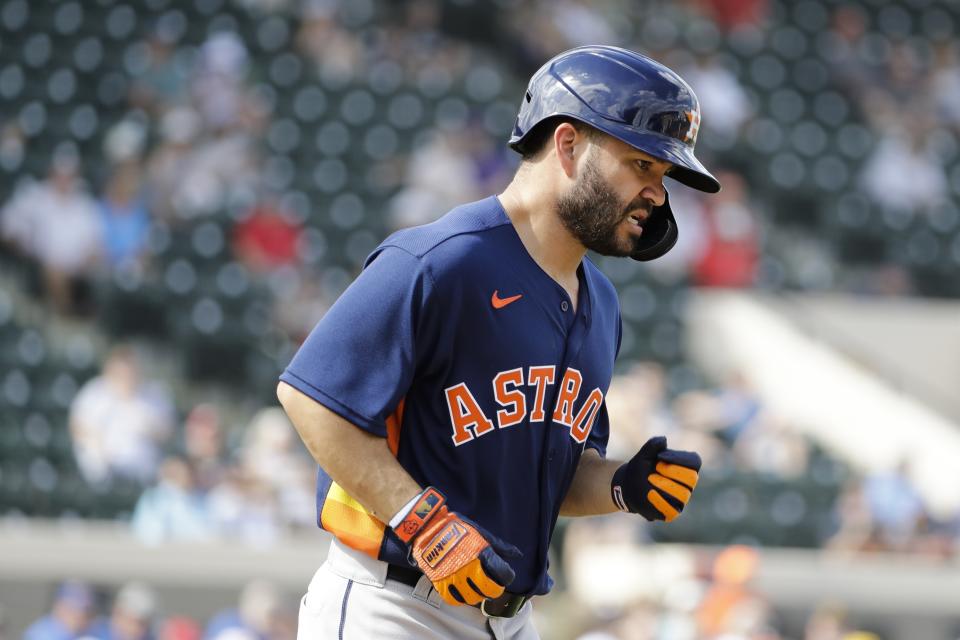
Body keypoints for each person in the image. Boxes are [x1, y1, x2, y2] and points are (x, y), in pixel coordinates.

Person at [277, 45, 720, 639]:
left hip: (510, 621)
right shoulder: (442, 260)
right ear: (567, 145)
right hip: (393, 608)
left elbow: (544, 478)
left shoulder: (603, 305)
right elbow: (311, 398)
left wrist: (619, 485)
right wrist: (422, 523)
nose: (658, 195)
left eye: (663, 176)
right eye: (642, 165)